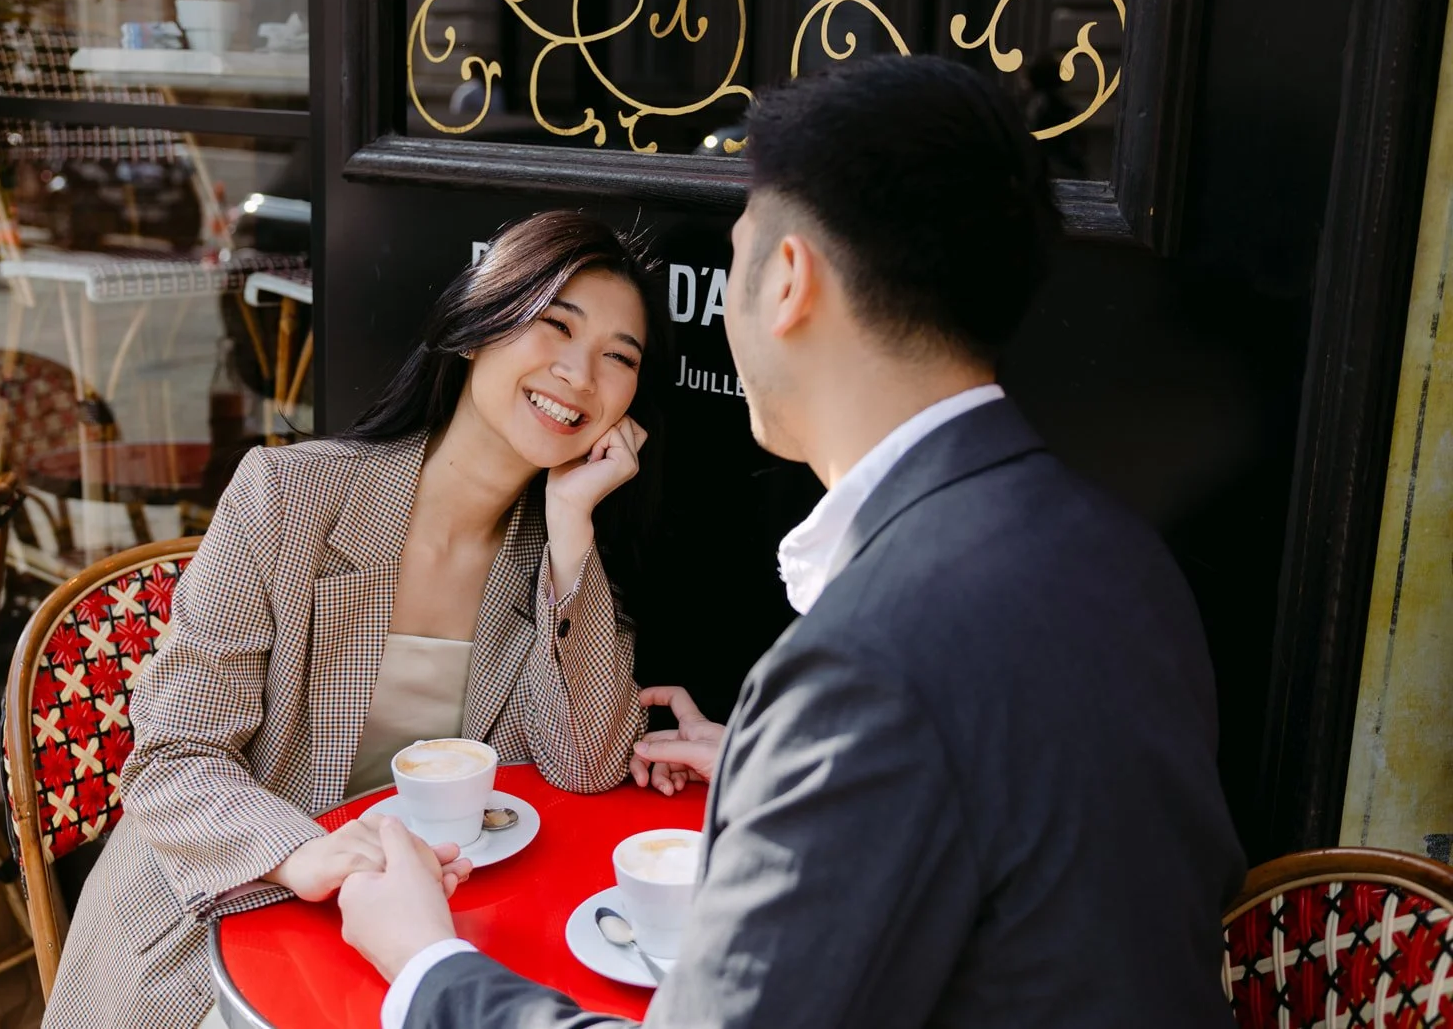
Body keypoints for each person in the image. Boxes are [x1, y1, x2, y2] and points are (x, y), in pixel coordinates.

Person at [338, 54, 1247, 1028]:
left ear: (786, 279)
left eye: (734, 256)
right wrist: (770, 768)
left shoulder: (865, 664)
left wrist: (426, 964)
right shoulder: (1121, 553)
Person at [43, 210, 671, 1029]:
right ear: (478, 327)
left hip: (404, 948)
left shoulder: (552, 559)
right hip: (219, 930)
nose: (581, 375)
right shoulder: (287, 497)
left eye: (618, 358)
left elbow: (584, 763)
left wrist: (570, 532)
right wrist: (305, 853)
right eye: (555, 325)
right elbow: (173, 753)